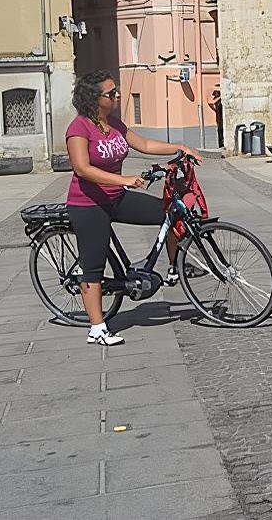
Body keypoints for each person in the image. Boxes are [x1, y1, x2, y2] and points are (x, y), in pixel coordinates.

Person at [66, 71, 202, 346]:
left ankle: (175, 267)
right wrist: (124, 179)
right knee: (93, 266)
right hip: (88, 204)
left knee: (170, 212)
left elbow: (145, 144)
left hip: (116, 197)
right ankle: (97, 328)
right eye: (111, 93)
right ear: (93, 98)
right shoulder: (79, 128)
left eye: (116, 91)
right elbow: (82, 168)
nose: (116, 96)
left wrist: (180, 147)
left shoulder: (114, 124)